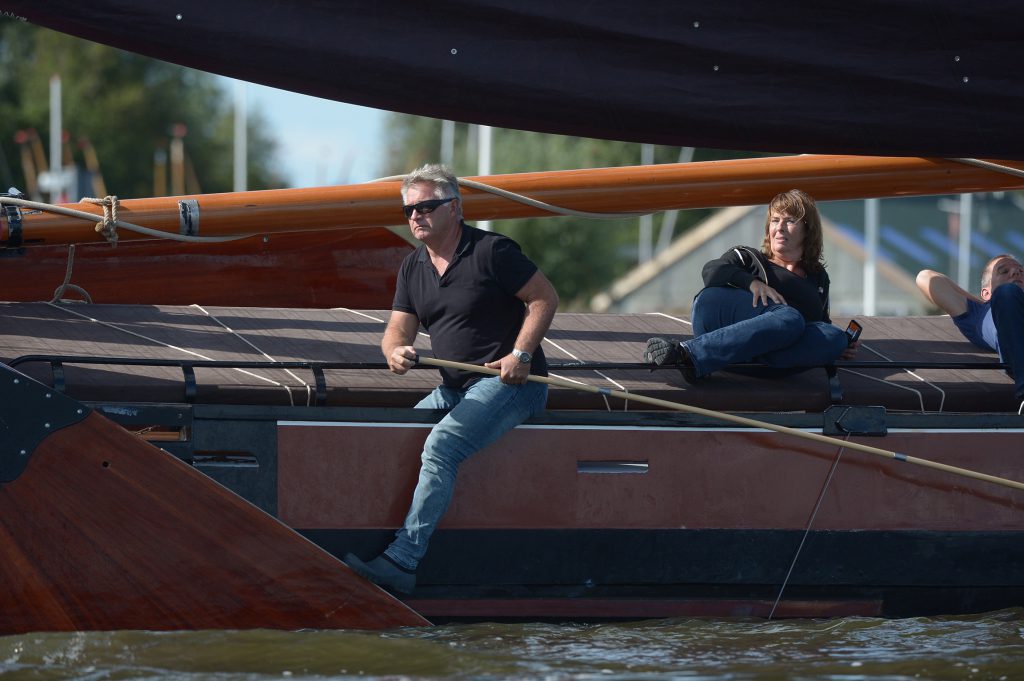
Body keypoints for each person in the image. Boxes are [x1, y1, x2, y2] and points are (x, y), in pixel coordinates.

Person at [344, 164, 558, 593]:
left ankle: (402, 563)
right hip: (454, 388)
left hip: (513, 385)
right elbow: (397, 330)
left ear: (455, 208)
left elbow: (544, 297)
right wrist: (394, 351)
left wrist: (521, 354)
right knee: (396, 434)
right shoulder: (412, 267)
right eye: (409, 210)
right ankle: (365, 538)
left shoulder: (493, 251)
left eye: (426, 206)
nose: (415, 216)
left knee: (441, 446)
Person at [644, 189, 858, 380]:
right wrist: (751, 283)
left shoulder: (818, 278)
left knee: (835, 337)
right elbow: (711, 271)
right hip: (719, 316)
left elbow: (821, 323)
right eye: (775, 220)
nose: (780, 227)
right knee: (790, 318)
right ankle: (687, 353)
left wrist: (843, 346)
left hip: (770, 354)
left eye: (790, 221)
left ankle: (723, 356)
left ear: (807, 229)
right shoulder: (749, 258)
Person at [916, 255, 1024, 408]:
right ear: (986, 293)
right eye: (1004, 271)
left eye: (1021, 271)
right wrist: (989, 303)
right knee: (1006, 293)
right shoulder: (978, 313)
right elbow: (925, 277)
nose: (1016, 272)